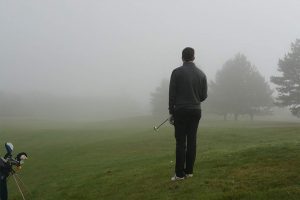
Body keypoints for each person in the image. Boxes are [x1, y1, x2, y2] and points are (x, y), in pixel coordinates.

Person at [169, 47, 207, 181]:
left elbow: (172, 95)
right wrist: (194, 99)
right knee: (192, 141)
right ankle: (189, 172)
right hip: (196, 110)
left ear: (182, 57)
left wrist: (171, 112)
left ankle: (179, 174)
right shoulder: (201, 74)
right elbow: (203, 96)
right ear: (194, 57)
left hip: (180, 111)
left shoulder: (176, 72)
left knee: (180, 143)